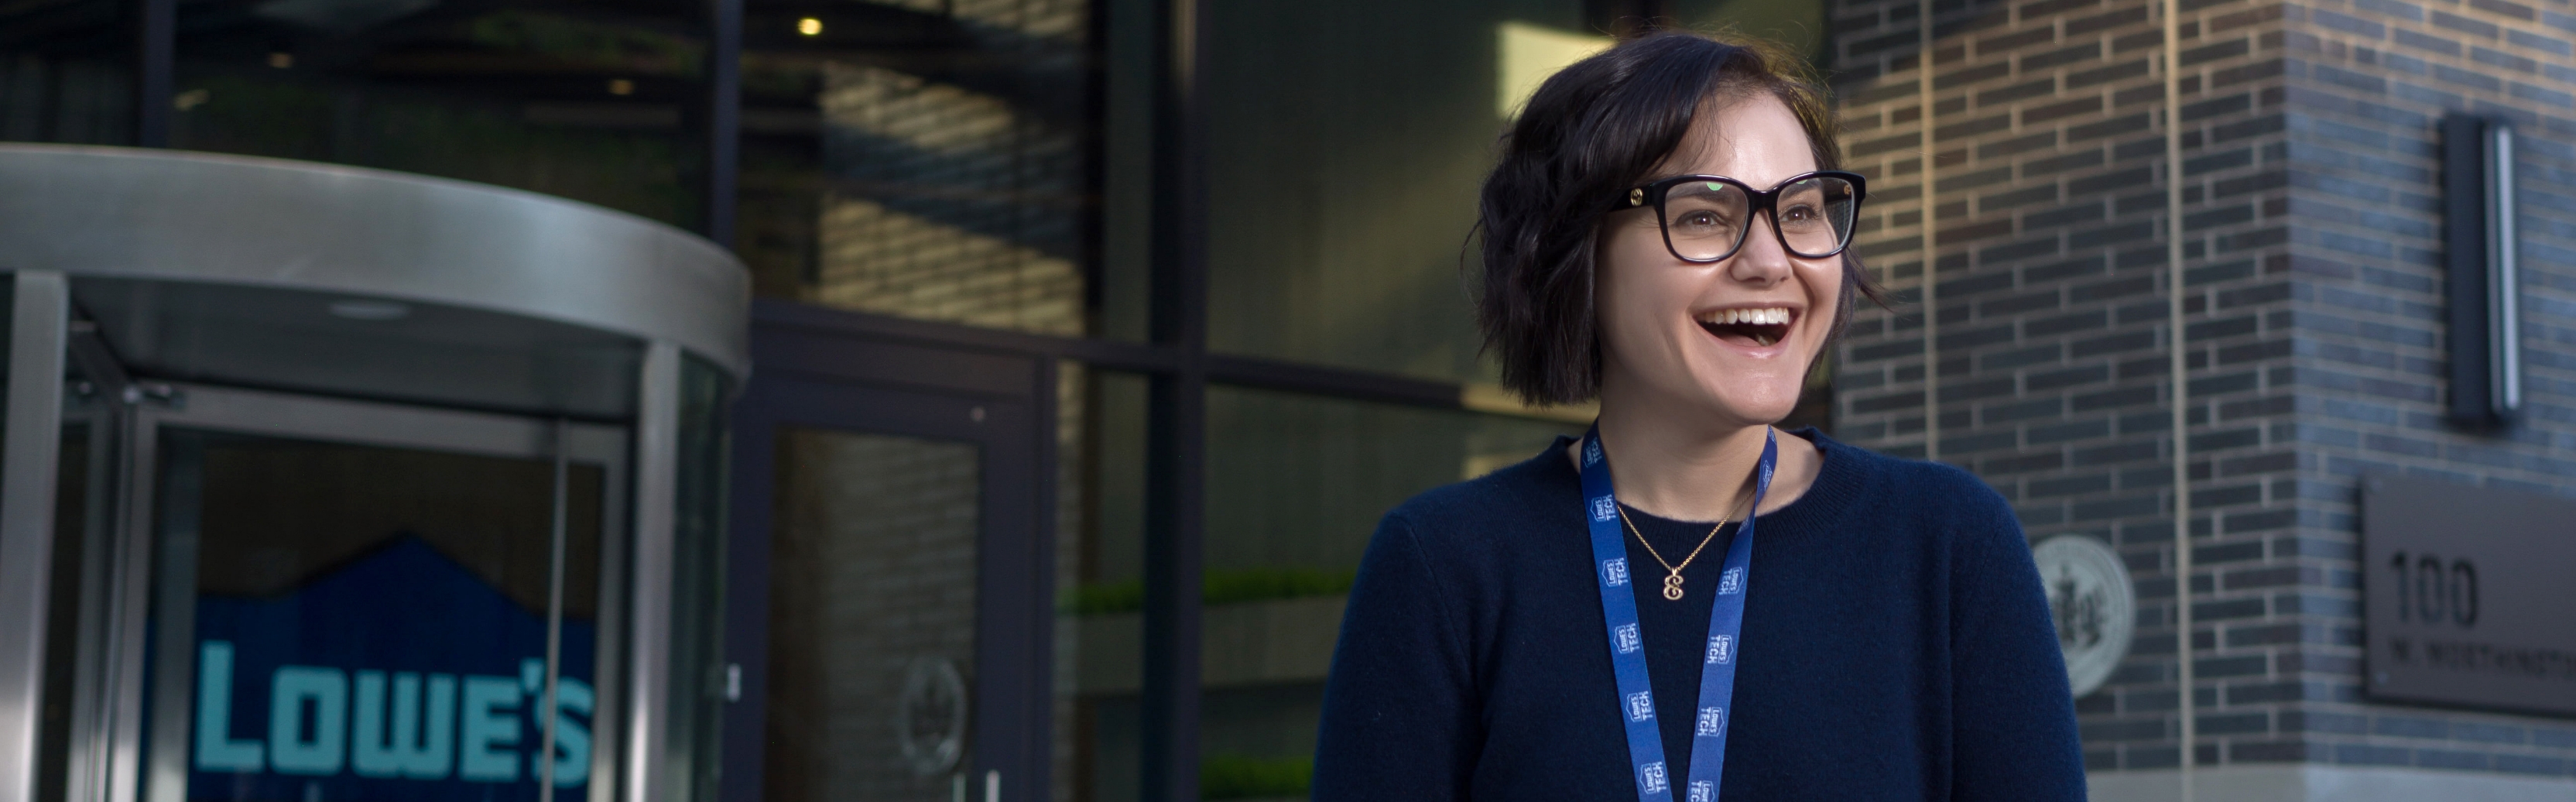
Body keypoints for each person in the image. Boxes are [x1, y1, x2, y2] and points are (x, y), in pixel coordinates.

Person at [1309, 30, 2086, 800]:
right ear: (1575, 246)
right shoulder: (1446, 564)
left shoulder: (1945, 544)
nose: (1771, 260)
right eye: (1707, 216)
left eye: (1804, 210)